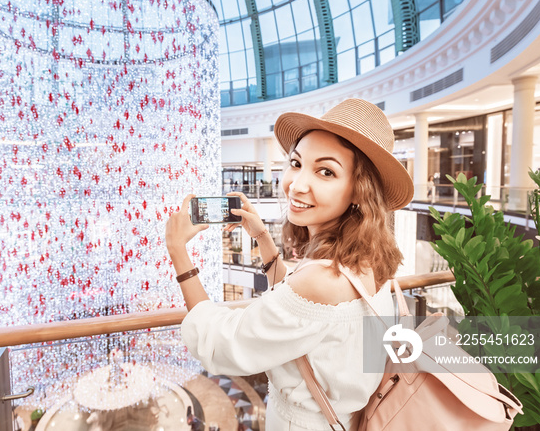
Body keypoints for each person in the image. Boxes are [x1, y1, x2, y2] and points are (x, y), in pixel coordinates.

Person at [165, 99, 414, 430]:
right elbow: (300, 312)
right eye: (296, 163)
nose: (297, 184)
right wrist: (262, 238)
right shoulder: (367, 258)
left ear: (358, 190)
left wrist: (177, 249)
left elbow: (222, 343)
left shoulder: (324, 278)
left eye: (326, 171)